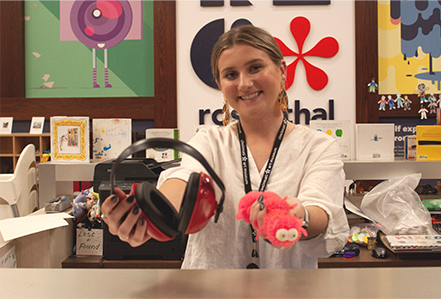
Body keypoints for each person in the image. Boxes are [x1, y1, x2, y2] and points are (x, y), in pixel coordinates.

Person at [100, 25, 349, 269]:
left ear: (282, 70)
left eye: (255, 68)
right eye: (230, 75)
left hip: (286, 291)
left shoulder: (318, 146)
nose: (244, 83)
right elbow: (184, 180)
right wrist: (153, 215)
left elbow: (321, 210)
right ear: (220, 84)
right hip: (211, 291)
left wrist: (297, 216)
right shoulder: (209, 141)